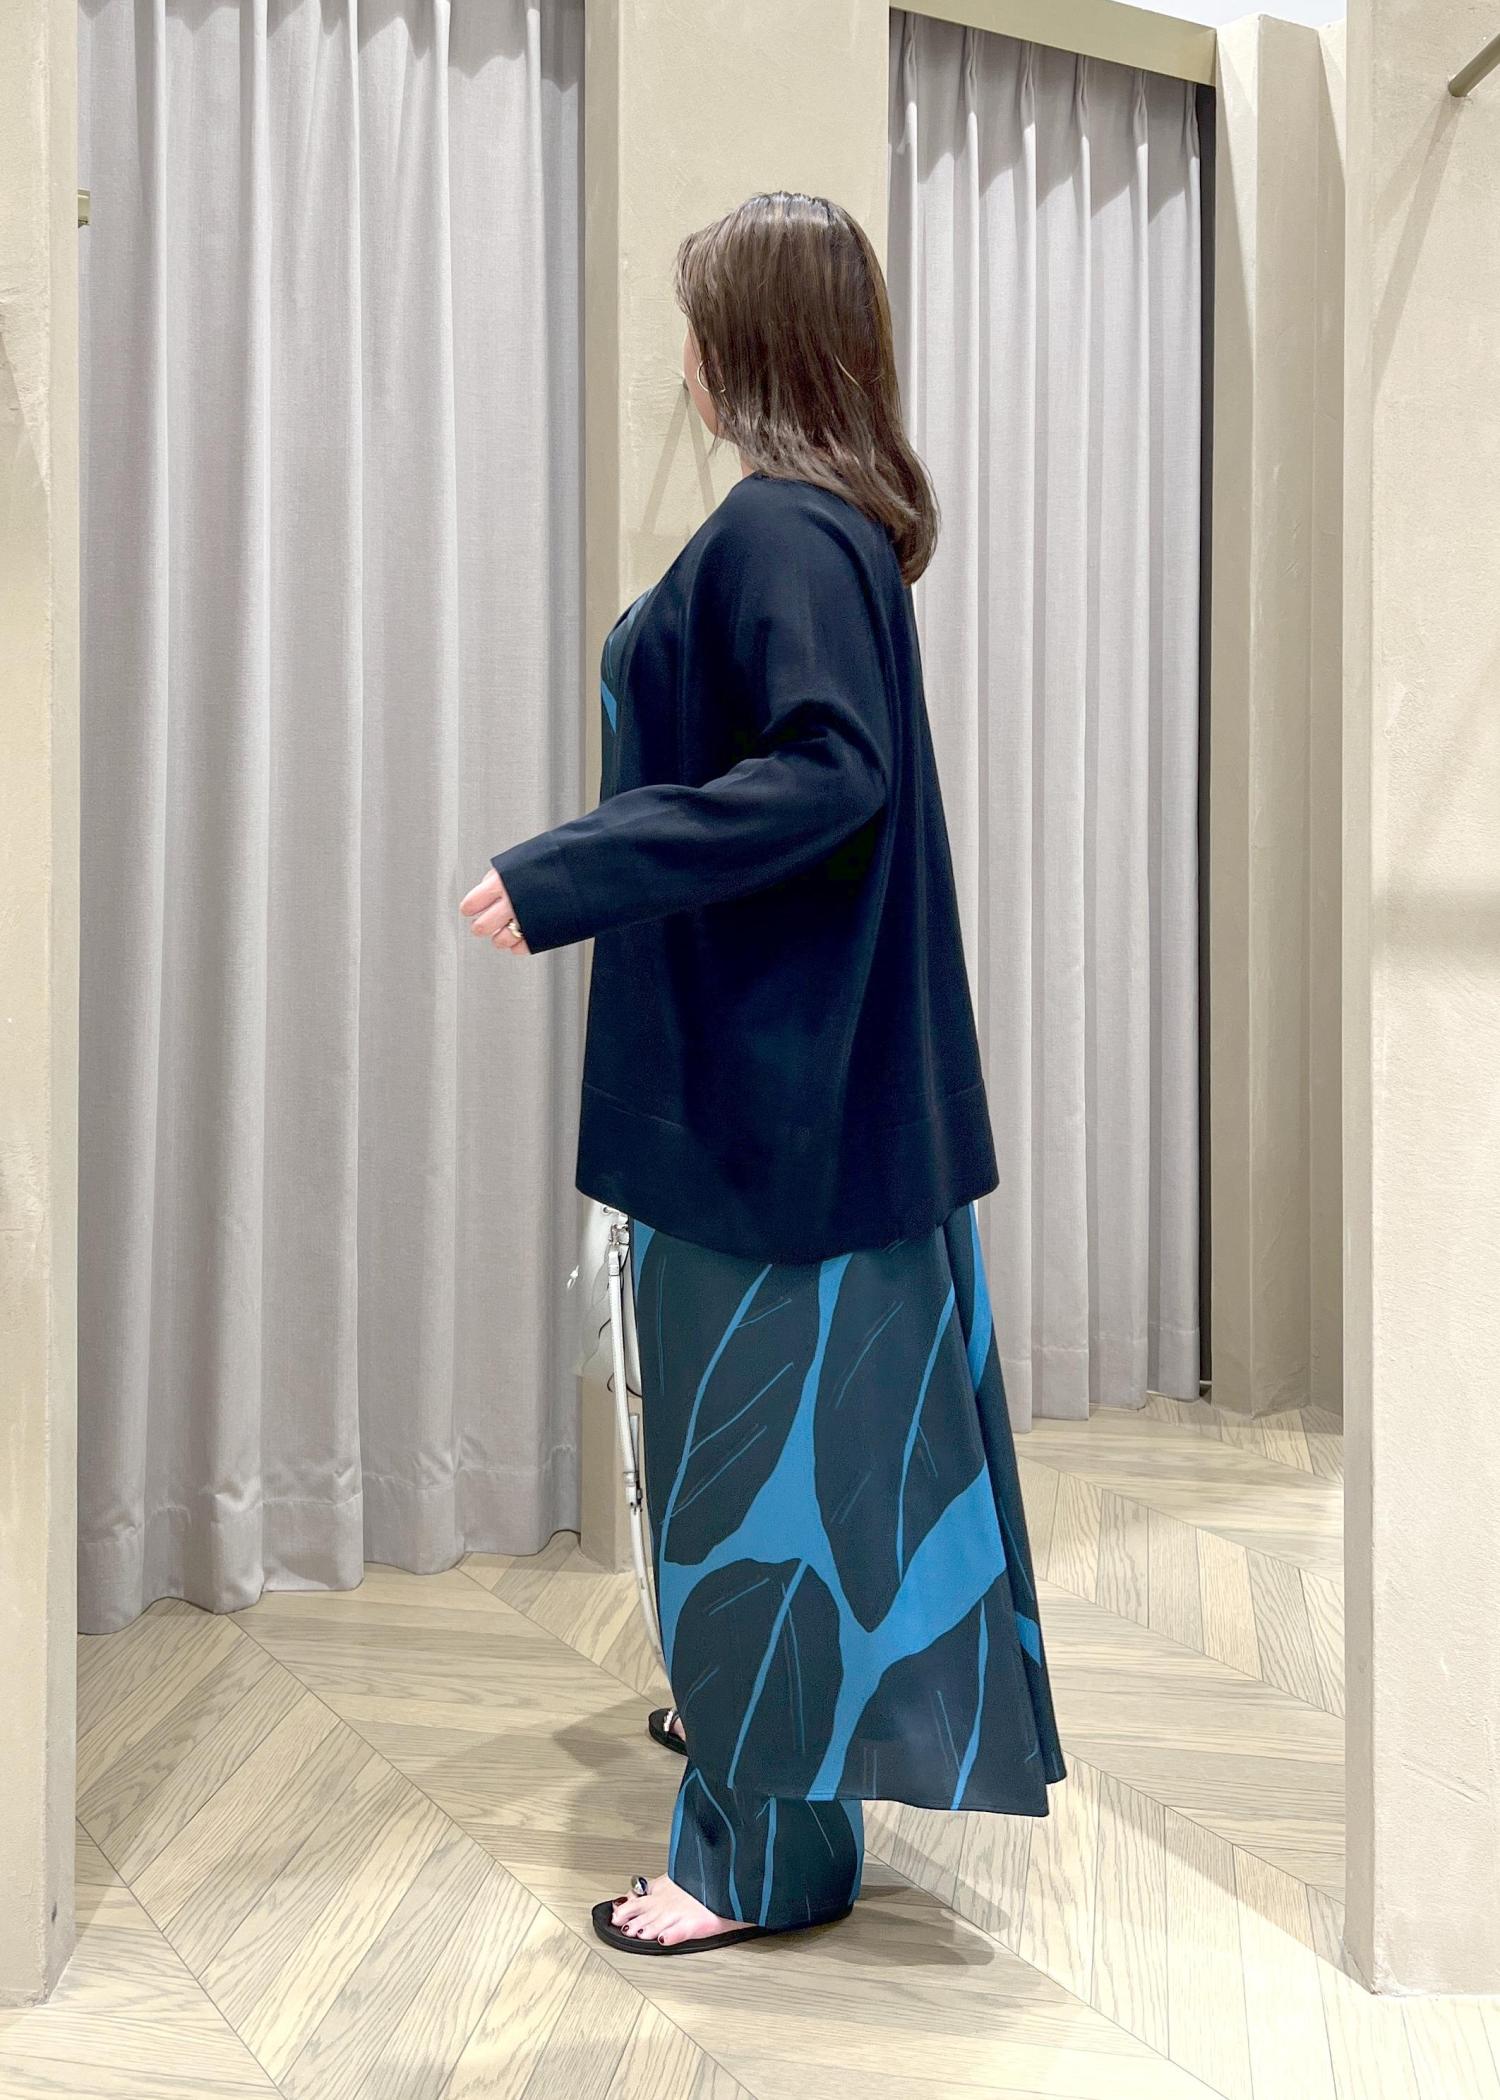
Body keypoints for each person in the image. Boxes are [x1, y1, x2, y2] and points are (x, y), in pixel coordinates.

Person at [459, 191, 1065, 1956]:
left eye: (698, 322)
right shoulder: (830, 529)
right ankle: (766, 1752)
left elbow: (831, 772)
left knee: (762, 1496)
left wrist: (575, 869)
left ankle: (759, 1861)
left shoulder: (783, 531)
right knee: (792, 1486)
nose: (683, 359)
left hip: (774, 1124)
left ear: (747, 347)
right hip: (796, 1108)